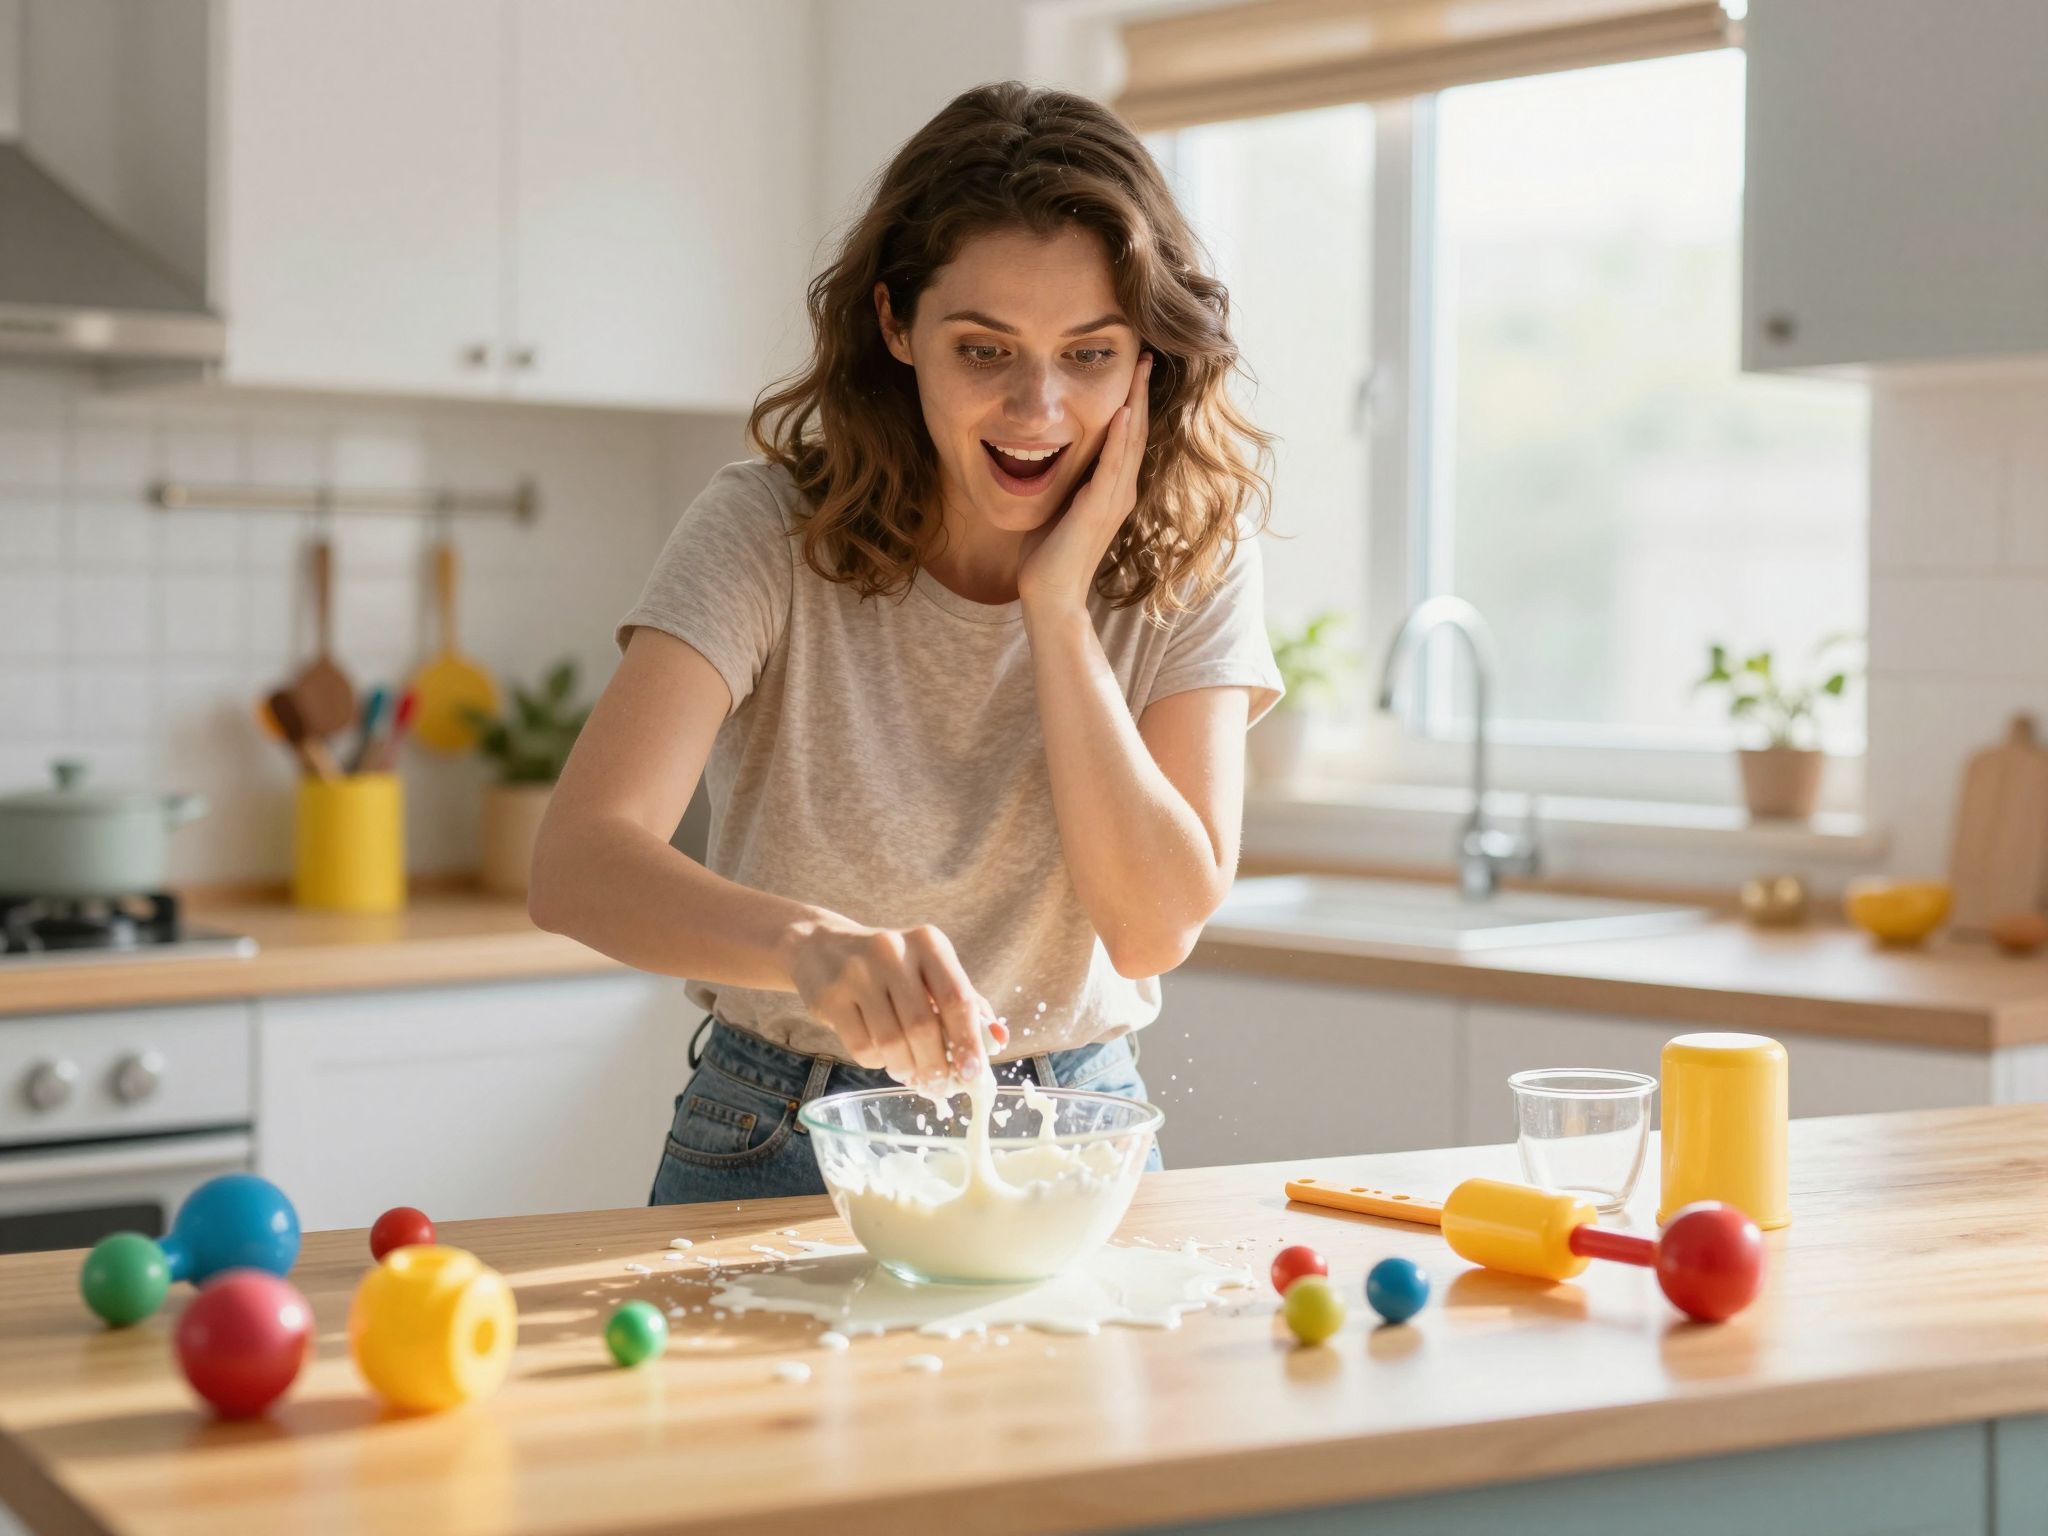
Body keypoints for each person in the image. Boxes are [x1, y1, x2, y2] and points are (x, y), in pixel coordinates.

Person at [527, 81, 1283, 1206]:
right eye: (984, 350)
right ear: (896, 327)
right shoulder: (765, 531)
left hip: (1077, 1131)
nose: (1037, 408)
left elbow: (1152, 925)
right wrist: (806, 947)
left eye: (1088, 354)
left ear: (1147, 360)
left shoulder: (1191, 559)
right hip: (783, 1126)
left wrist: (1058, 611)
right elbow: (575, 863)